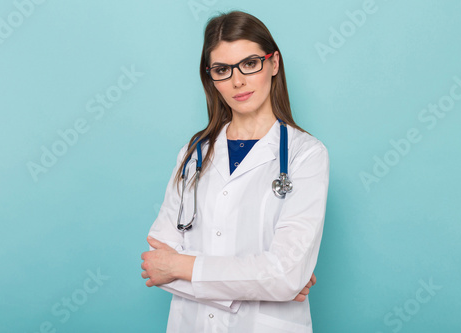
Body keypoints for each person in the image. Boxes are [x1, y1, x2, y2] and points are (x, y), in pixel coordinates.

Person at [141, 10, 329, 333]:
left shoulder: (307, 155)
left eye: (250, 63)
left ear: (273, 63)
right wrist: (269, 286)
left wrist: (182, 267)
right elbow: (157, 265)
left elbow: (284, 275)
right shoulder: (193, 155)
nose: (237, 80)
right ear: (210, 77)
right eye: (222, 69)